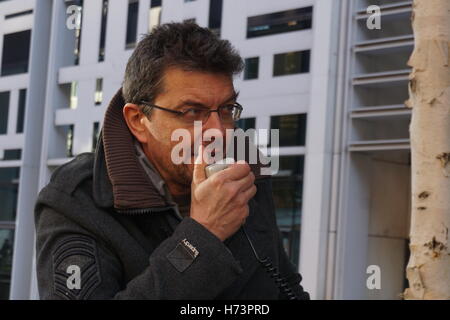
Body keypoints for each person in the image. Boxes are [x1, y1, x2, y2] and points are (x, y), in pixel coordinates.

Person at [34, 22, 309, 300]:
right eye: (192, 111)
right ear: (138, 121)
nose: (219, 132)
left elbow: (283, 282)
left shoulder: (245, 165)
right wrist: (202, 236)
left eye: (225, 109)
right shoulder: (76, 201)